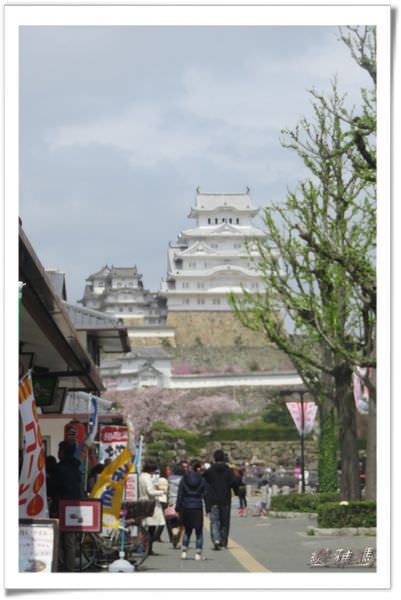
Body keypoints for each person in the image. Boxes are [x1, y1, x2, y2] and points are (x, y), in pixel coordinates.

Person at [49, 440, 85, 571]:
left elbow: (52, 489)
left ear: (63, 452)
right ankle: (69, 569)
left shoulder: (58, 469)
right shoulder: (76, 469)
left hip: (59, 507)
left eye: (59, 451)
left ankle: (57, 567)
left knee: (57, 540)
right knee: (70, 542)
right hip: (73, 508)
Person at [203, 449, 240, 550]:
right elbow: (234, 483)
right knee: (224, 522)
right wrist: (237, 492)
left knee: (214, 521)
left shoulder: (209, 471)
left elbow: (204, 483)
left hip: (213, 499)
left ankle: (216, 539)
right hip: (225, 499)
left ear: (214, 459)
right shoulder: (228, 470)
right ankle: (223, 542)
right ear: (223, 458)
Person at [175, 459, 208, 561]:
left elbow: (180, 494)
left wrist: (177, 507)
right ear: (197, 468)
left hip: (186, 506)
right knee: (199, 532)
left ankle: (184, 552)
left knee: (187, 531)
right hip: (197, 506)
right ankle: (198, 554)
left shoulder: (184, 479)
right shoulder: (202, 479)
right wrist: (208, 508)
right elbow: (206, 494)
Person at [138, 462, 166, 556]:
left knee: (146, 526)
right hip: (150, 504)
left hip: (142, 502)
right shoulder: (147, 478)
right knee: (151, 527)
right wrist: (161, 492)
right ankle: (149, 549)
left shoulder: (141, 476)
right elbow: (150, 492)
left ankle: (146, 547)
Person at [165, 461, 188, 548]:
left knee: (173, 521)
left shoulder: (170, 478)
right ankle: (180, 542)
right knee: (183, 523)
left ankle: (174, 532)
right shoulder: (184, 479)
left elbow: (167, 490)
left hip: (171, 501)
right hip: (182, 502)